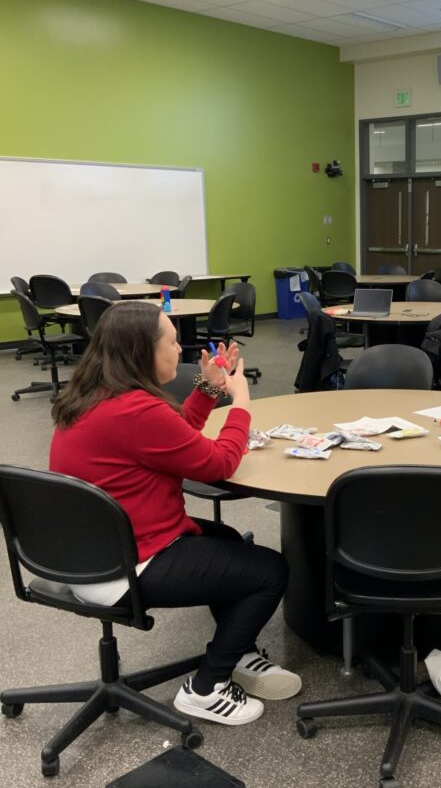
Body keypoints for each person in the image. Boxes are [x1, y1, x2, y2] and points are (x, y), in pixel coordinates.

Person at [49, 300, 300, 727]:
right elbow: (218, 463)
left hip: (90, 553)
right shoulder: (135, 410)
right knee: (269, 570)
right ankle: (206, 689)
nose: (180, 348)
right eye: (172, 340)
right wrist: (239, 403)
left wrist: (206, 389)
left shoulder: (95, 397)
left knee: (225, 542)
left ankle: (237, 650)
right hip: (125, 567)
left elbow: (171, 434)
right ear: (142, 351)